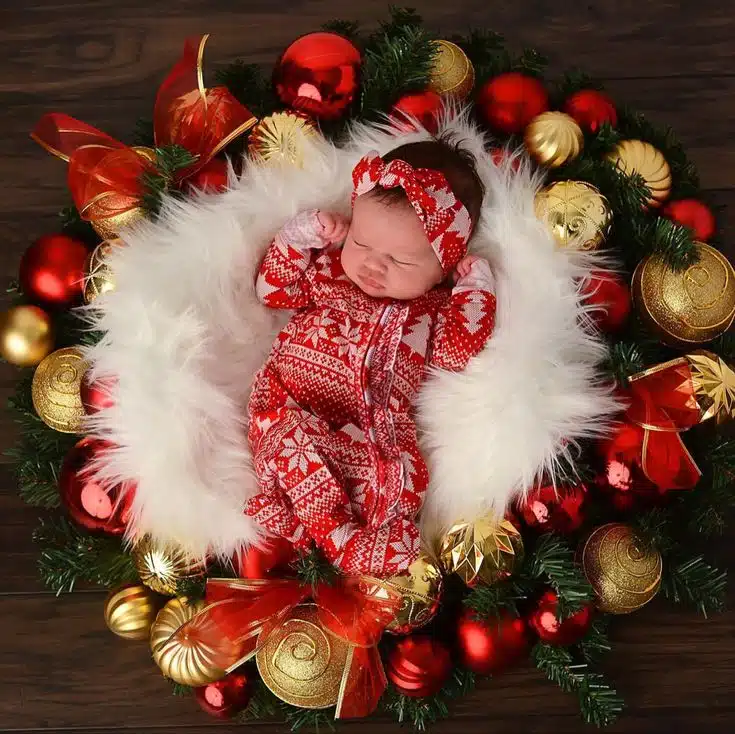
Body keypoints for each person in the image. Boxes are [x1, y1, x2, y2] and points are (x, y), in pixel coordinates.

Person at [246, 137, 497, 576]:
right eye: (361, 243)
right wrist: (299, 237)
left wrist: (475, 290)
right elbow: (272, 289)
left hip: (372, 434)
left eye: (400, 261)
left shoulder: (431, 311)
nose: (372, 266)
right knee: (294, 442)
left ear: (443, 268)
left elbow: (458, 353)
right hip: (292, 412)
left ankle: (332, 545)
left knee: (395, 489)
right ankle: (338, 541)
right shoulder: (328, 271)